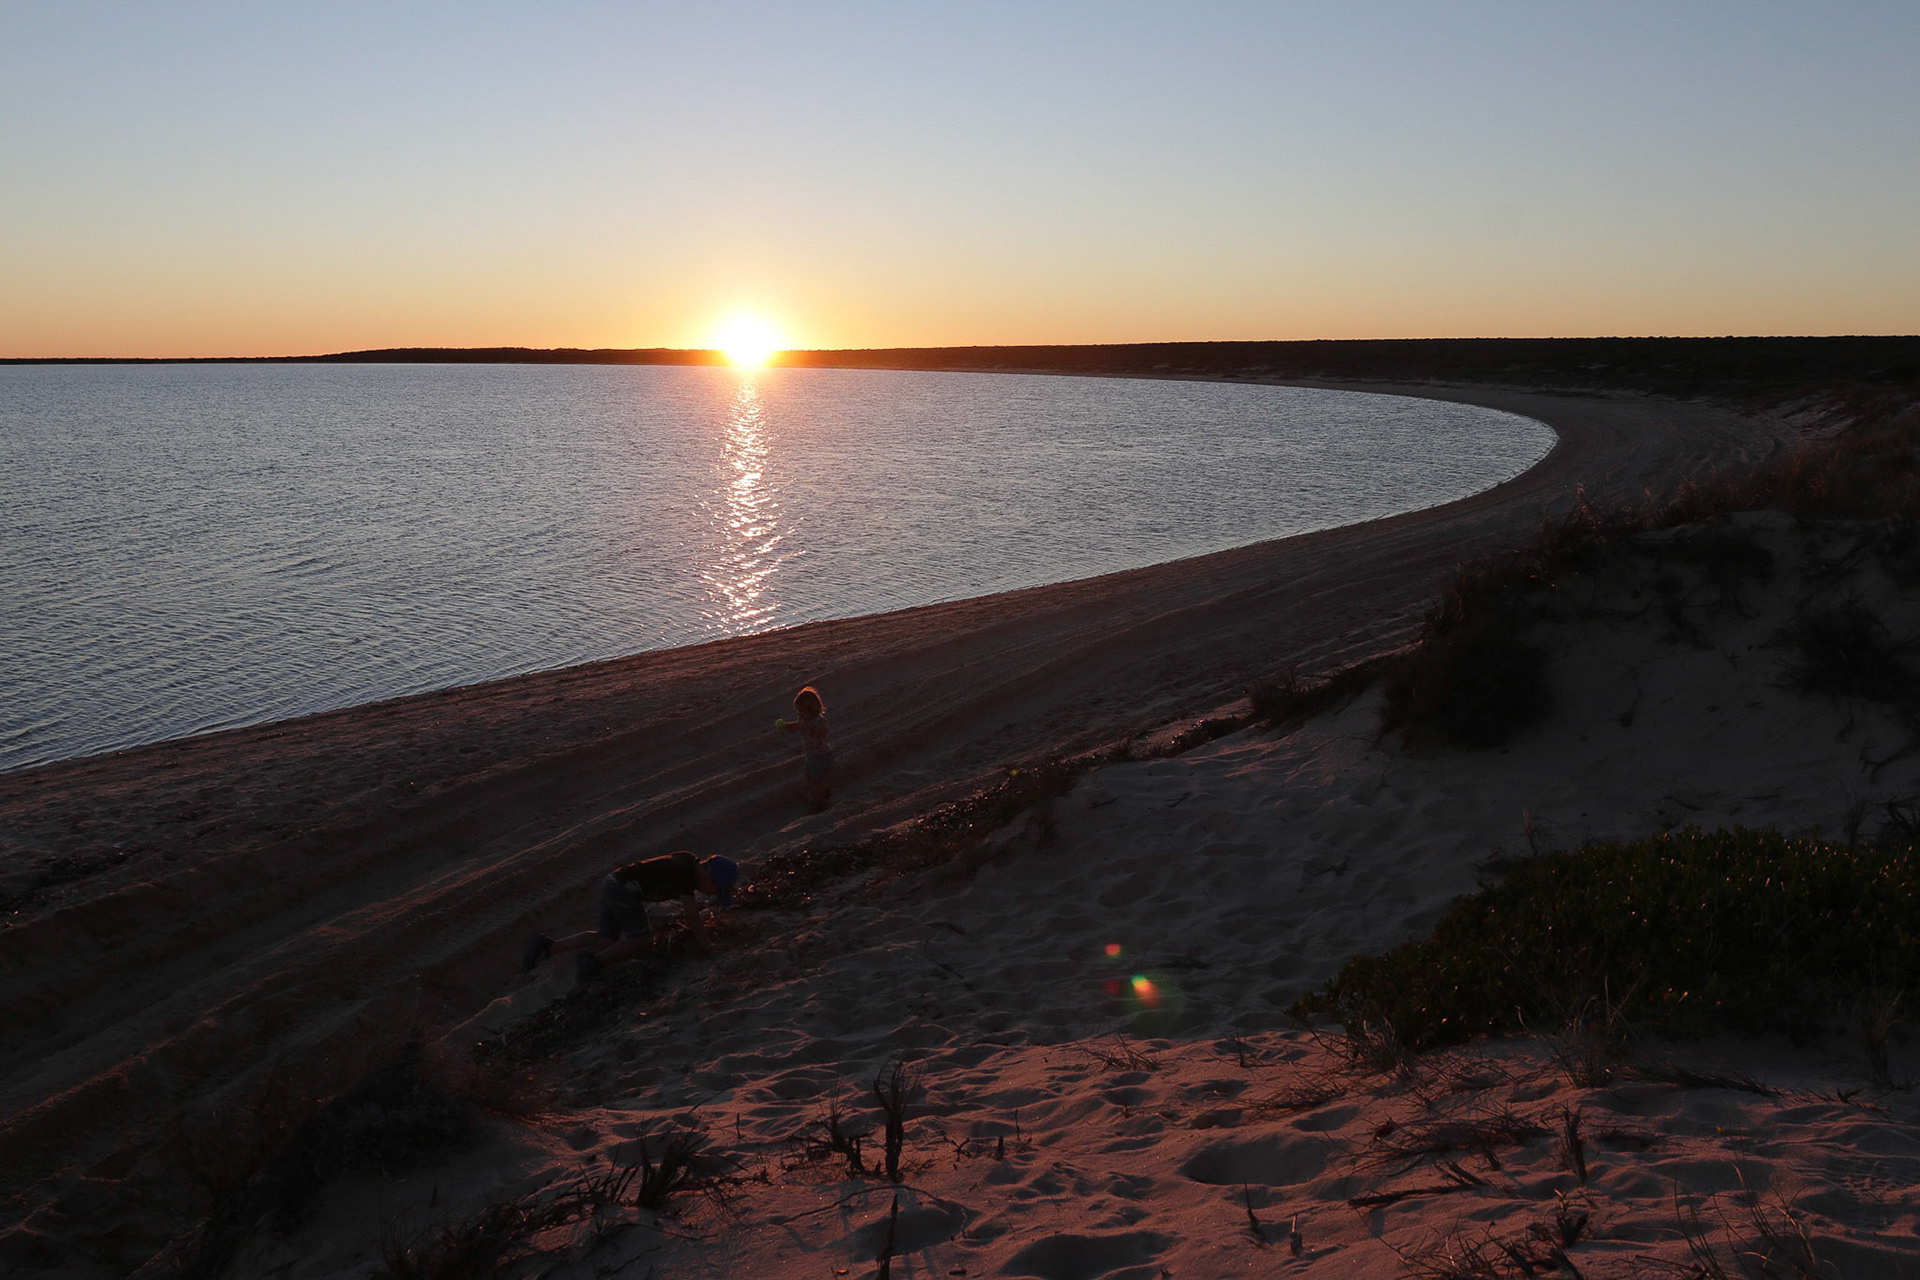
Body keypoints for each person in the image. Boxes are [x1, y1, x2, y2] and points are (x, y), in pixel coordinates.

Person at [521, 851, 739, 980]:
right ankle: (593, 961)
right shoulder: (685, 874)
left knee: (606, 938)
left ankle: (548, 947)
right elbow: (692, 916)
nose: (711, 895)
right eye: (714, 890)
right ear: (709, 875)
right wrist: (707, 947)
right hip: (622, 890)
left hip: (614, 882)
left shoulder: (689, 862)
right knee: (643, 939)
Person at [776, 685, 833, 810]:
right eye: (798, 712)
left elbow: (824, 730)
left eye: (802, 711)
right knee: (809, 775)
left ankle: (821, 802)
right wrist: (785, 725)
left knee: (816, 780)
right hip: (812, 754)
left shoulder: (818, 721)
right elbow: (797, 727)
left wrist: (817, 731)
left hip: (821, 755)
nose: (799, 714)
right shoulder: (804, 720)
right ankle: (824, 791)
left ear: (812, 710)